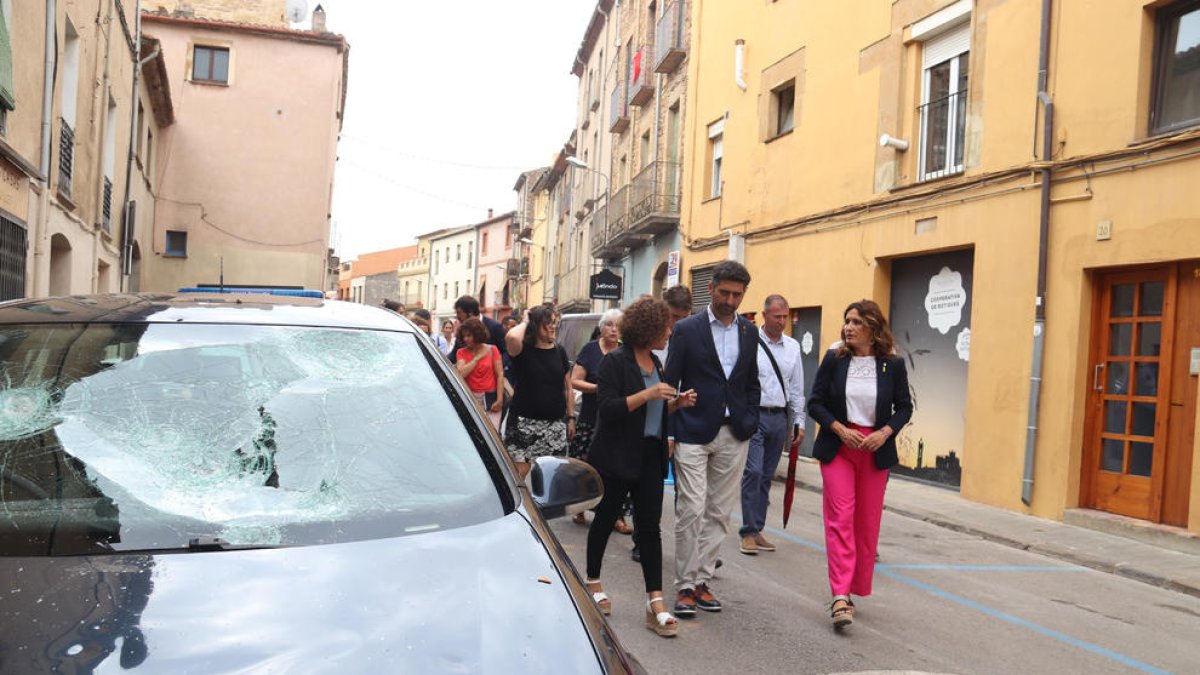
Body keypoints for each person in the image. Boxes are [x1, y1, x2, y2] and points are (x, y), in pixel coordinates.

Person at [584, 297, 696, 638]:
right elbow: (609, 409)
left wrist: (676, 404)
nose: (670, 331)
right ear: (648, 329)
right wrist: (647, 396)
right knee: (605, 518)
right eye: (666, 326)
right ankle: (593, 582)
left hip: (650, 455)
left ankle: (655, 604)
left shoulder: (657, 363)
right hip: (617, 455)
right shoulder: (615, 362)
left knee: (649, 528)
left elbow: (654, 416)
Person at [807, 299, 912, 630]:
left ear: (873, 328)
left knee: (866, 524)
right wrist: (838, 428)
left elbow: (904, 407)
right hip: (839, 446)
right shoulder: (834, 359)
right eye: (846, 321)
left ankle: (853, 586)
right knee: (840, 518)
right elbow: (816, 403)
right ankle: (840, 595)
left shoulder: (891, 365)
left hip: (874, 449)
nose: (848, 327)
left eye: (855, 322)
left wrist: (885, 432)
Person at [663, 260, 760, 617]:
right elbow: (670, 382)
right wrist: (670, 428)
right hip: (691, 430)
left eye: (737, 295)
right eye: (724, 293)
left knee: (719, 513)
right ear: (710, 289)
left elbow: (751, 382)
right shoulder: (687, 330)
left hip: (733, 434)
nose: (730, 301)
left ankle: (702, 582)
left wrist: (749, 420)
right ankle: (684, 586)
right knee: (690, 509)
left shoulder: (750, 332)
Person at [740, 295, 806, 555]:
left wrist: (798, 421)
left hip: (779, 417)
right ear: (765, 315)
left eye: (785, 317)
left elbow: (797, 387)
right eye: (777, 317)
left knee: (767, 476)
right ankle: (746, 531)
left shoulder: (792, 347)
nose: (781, 322)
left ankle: (757, 529)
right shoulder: (749, 342)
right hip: (754, 415)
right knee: (753, 472)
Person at [569, 309, 631, 533]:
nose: (614, 329)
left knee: (616, 470)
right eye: (610, 325)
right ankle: (580, 506)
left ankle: (616, 515)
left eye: (618, 325)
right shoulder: (590, 350)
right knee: (586, 467)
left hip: (616, 420)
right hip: (590, 417)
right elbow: (575, 381)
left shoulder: (626, 352)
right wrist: (600, 389)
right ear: (602, 327)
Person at [504, 303, 573, 479]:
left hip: (554, 424)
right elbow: (512, 336)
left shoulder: (559, 351)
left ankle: (543, 507)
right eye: (547, 323)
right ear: (535, 325)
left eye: (554, 322)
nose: (553, 326)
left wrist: (570, 417)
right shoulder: (522, 349)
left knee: (551, 477)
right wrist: (527, 319)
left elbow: (567, 386)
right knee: (518, 476)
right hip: (523, 423)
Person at [455, 318, 504, 429]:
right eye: (464, 336)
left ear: (477, 334)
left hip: (491, 399)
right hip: (471, 398)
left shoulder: (492, 349)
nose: (466, 339)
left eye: (469, 335)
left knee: (493, 433)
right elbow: (461, 374)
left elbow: (500, 375)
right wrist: (477, 358)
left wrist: (500, 399)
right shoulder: (461, 352)